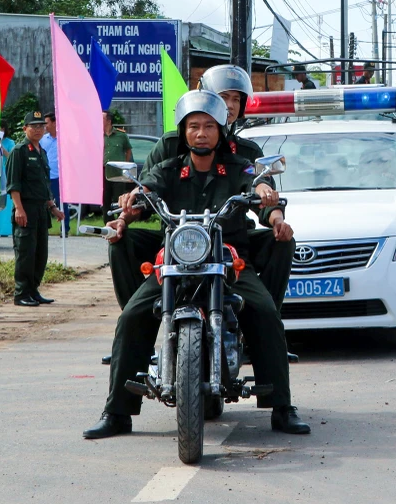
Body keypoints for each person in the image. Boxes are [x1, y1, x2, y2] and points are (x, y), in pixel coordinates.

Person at [83, 90, 309, 439]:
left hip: (228, 259)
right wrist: (131, 203)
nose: (200, 133)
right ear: (184, 131)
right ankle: (117, 413)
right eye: (193, 127)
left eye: (207, 126)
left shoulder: (238, 166)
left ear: (220, 130)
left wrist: (273, 209)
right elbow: (147, 190)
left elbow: (259, 185)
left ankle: (282, 408)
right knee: (132, 316)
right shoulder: (168, 168)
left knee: (264, 312)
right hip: (177, 259)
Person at [108, 64, 296, 316]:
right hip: (176, 240)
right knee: (118, 242)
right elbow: (148, 191)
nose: (229, 105)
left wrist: (275, 214)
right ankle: (137, 322)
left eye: (235, 99)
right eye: (222, 97)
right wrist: (125, 213)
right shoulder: (171, 146)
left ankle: (264, 323)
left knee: (282, 247)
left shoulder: (247, 152)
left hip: (229, 239)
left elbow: (260, 187)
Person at [5, 111, 65, 307]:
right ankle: (21, 293)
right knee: (25, 253)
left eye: (41, 126)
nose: (38, 129)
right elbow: (14, 185)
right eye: (34, 126)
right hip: (26, 208)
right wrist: (19, 209)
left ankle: (33, 290)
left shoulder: (42, 152)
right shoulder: (19, 151)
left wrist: (53, 207)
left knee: (40, 253)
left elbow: (44, 185)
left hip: (41, 209)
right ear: (25, 129)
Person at [40, 111, 69, 235]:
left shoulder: (65, 138)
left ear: (54, 122)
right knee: (43, 203)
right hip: (44, 177)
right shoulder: (42, 140)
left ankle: (65, 229)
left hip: (59, 177)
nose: (45, 126)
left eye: (47, 123)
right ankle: (43, 228)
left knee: (62, 203)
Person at [102, 111, 134, 223]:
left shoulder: (121, 135)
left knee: (119, 198)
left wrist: (124, 163)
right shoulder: (97, 135)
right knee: (105, 198)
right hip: (104, 171)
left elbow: (128, 150)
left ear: (109, 121)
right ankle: (107, 223)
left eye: (102, 119)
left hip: (118, 171)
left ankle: (121, 221)